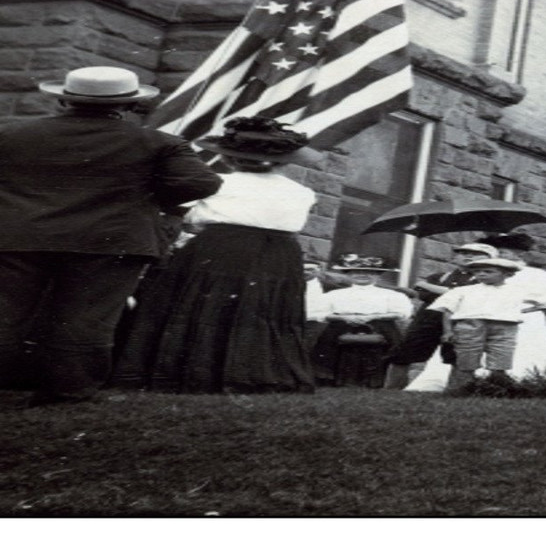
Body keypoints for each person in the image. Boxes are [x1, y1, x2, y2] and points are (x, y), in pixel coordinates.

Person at [0, 66, 222, 407]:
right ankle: (69, 392)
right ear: (130, 105)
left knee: (5, 313)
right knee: (86, 320)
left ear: (63, 100)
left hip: (17, 236)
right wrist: (148, 197)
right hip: (112, 240)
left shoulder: (11, 134)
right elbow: (201, 184)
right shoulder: (159, 143)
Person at [112, 116, 319, 394]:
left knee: (203, 305)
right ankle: (260, 372)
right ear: (285, 161)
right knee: (263, 310)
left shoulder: (217, 181)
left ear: (229, 159)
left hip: (221, 246)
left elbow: (189, 217)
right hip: (279, 254)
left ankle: (188, 371)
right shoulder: (303, 192)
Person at [383, 242, 496, 390]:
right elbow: (421, 293)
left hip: (463, 321)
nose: (468, 256)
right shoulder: (440, 276)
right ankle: (392, 390)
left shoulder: (486, 280)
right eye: (463, 253)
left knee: (460, 358)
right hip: (428, 320)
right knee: (403, 354)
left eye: (476, 254)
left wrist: (427, 286)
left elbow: (463, 295)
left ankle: (457, 394)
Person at [429, 257, 545, 391]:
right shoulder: (464, 291)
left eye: (488, 271)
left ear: (507, 274)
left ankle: (497, 390)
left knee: (501, 358)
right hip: (470, 325)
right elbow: (447, 310)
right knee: (466, 359)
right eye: (477, 271)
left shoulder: (517, 291)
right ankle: (461, 390)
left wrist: (520, 310)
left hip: (504, 327)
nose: (481, 274)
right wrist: (448, 331)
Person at [310, 254, 414, 388]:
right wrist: (344, 317)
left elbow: (402, 313)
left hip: (381, 328)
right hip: (340, 327)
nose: (362, 275)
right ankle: (334, 381)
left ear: (378, 275)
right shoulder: (333, 295)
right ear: (348, 274)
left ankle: (378, 382)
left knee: (389, 353)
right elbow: (318, 313)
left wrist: (373, 317)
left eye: (369, 272)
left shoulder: (392, 295)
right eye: (356, 272)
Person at [480, 232, 546, 378]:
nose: (498, 255)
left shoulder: (536, 275)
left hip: (525, 319)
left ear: (518, 254)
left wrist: (535, 307)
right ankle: (487, 379)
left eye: (503, 252)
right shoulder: (487, 275)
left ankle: (528, 380)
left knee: (527, 348)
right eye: (496, 252)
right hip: (493, 317)